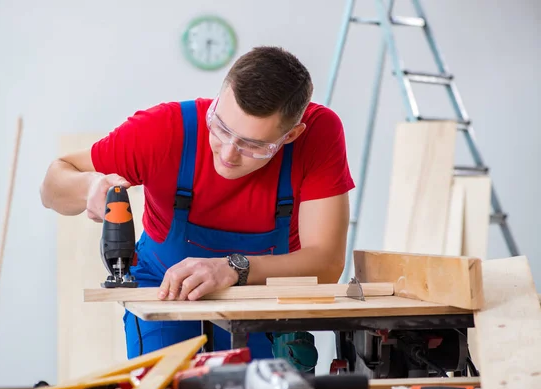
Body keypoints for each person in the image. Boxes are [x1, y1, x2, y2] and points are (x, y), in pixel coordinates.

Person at [40, 46, 355, 367]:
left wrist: (234, 268)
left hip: (264, 297)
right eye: (220, 127)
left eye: (252, 145)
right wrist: (89, 185)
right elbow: (53, 185)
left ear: (291, 135)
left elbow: (326, 263)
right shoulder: (164, 130)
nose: (228, 153)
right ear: (219, 100)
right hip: (164, 292)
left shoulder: (317, 133)